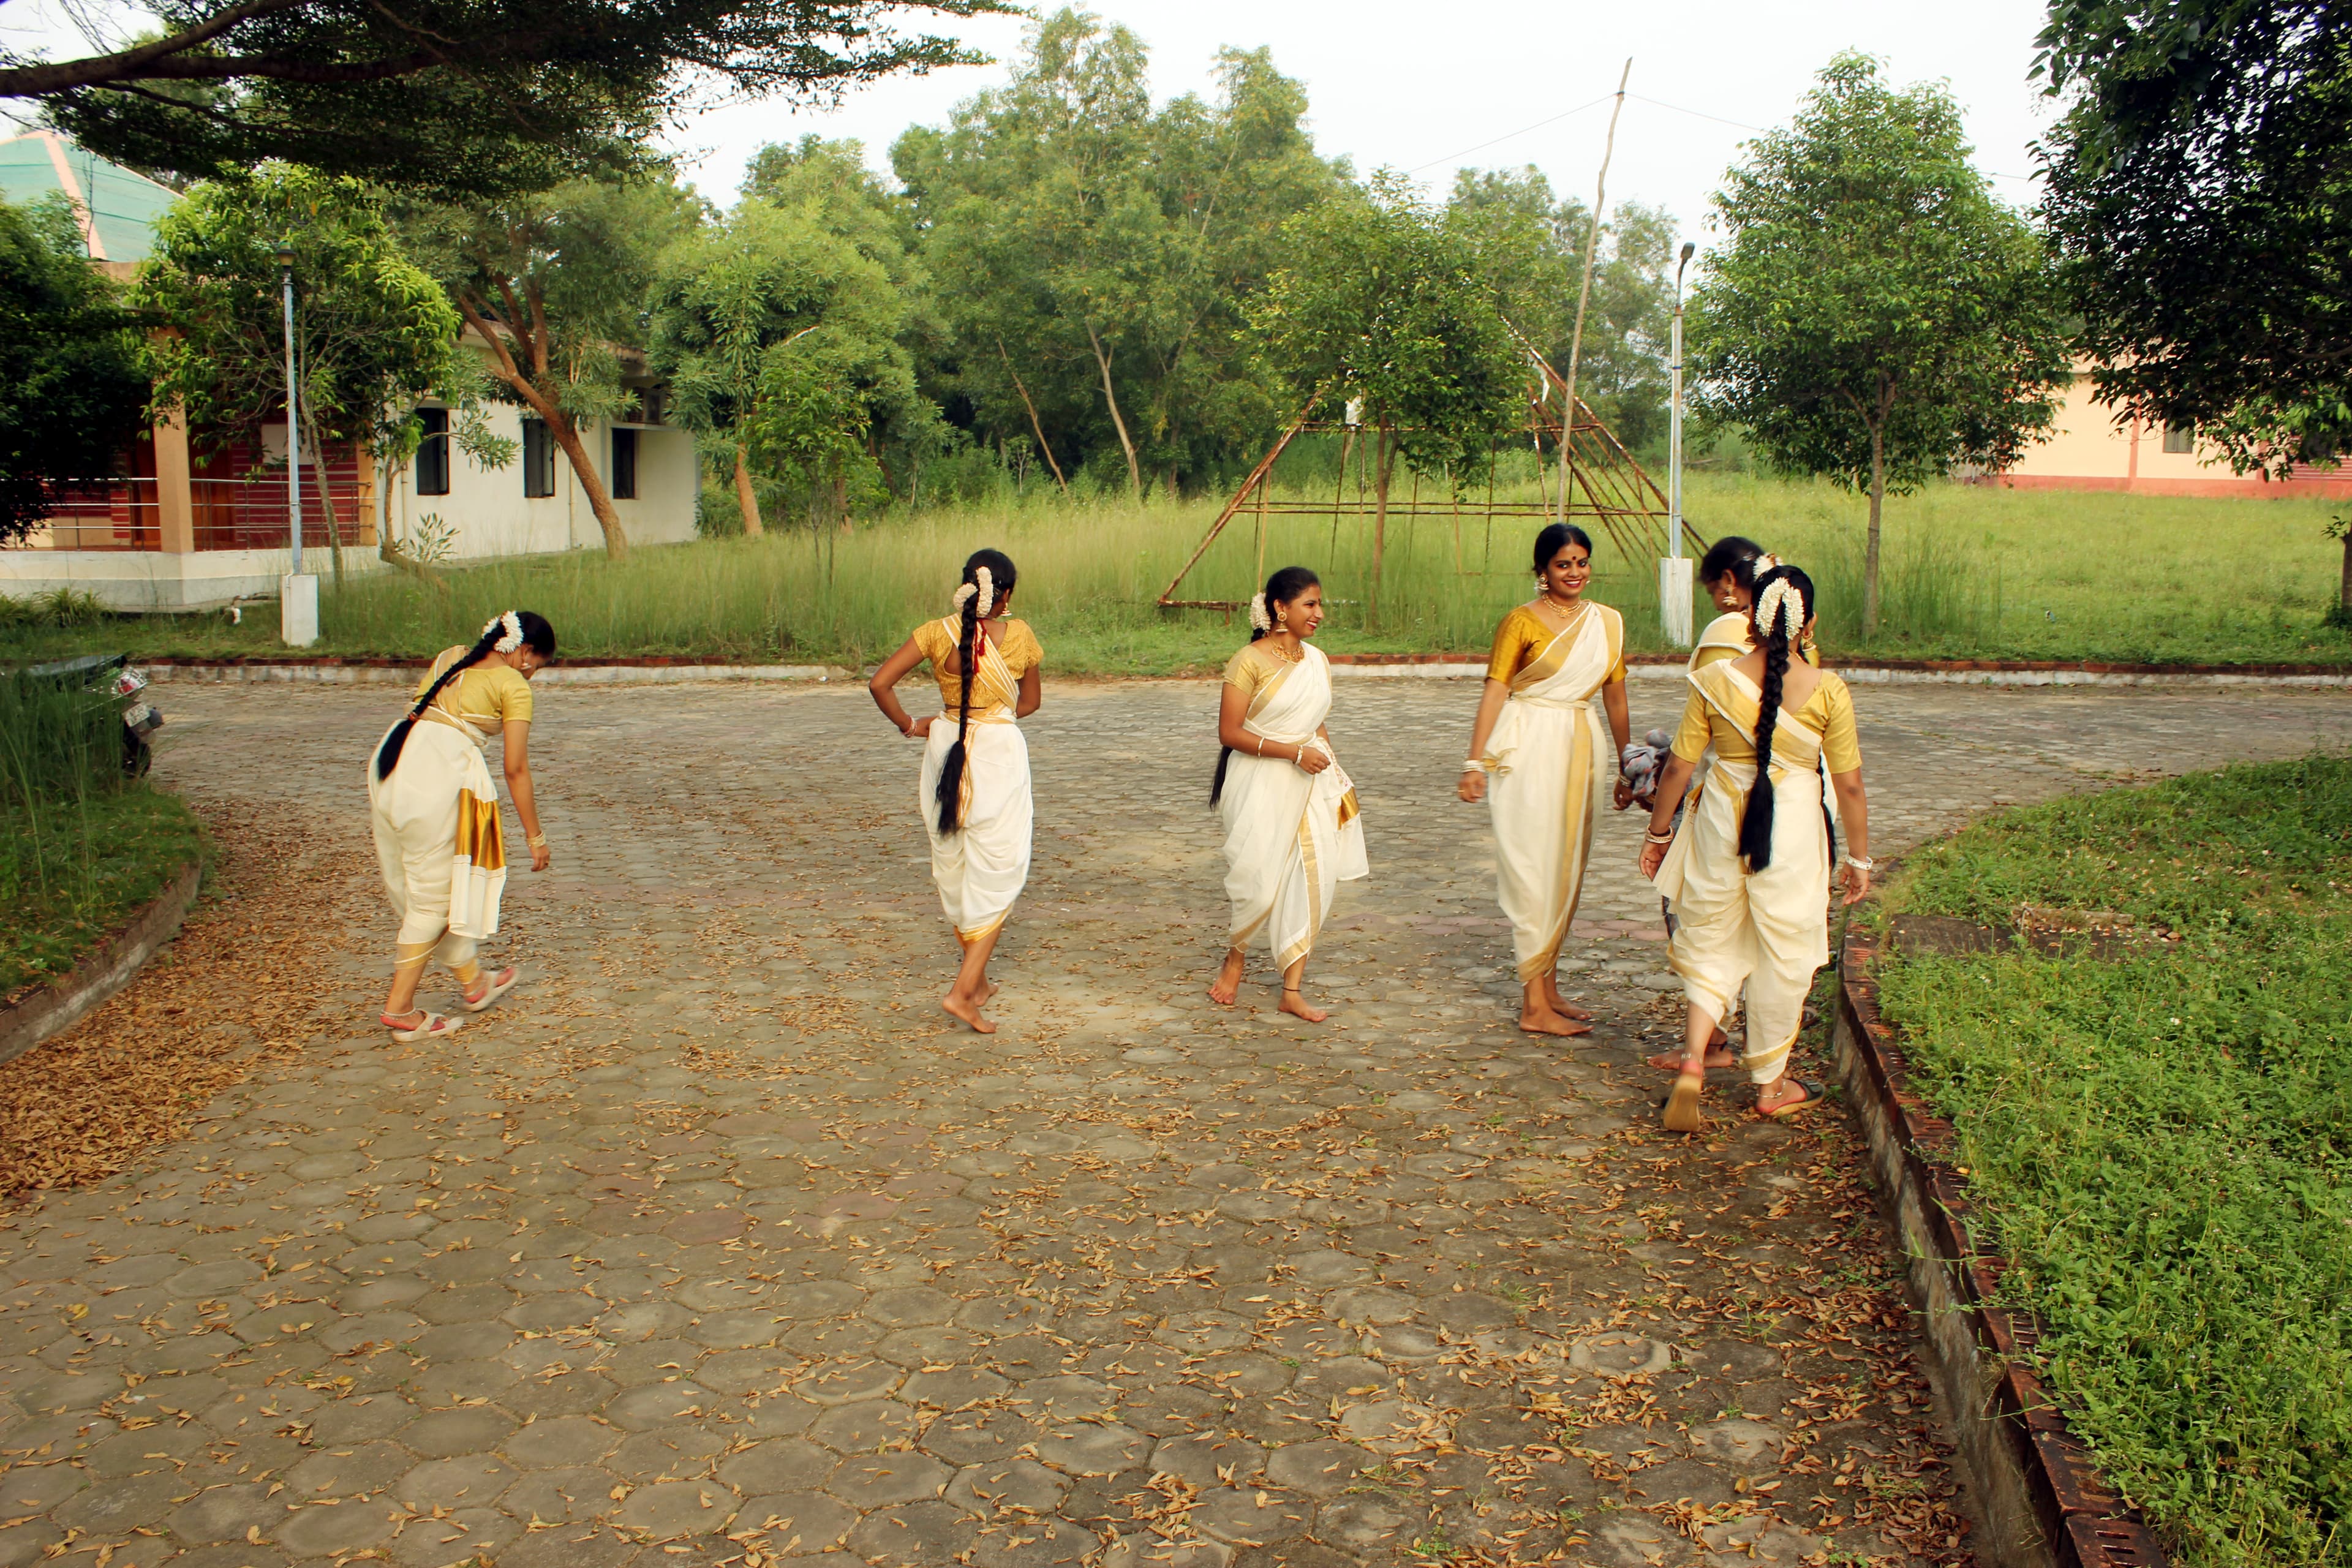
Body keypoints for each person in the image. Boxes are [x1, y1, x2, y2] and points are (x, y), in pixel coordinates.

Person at [1639, 565, 1873, 1130]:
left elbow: (1678, 767)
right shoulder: (1828, 690)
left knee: (1714, 934)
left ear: (1751, 617)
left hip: (1723, 818)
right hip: (1791, 829)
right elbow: (1850, 786)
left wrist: (1658, 834)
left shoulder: (1716, 681)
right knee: (1782, 951)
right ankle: (1771, 1084)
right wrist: (1860, 859)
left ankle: (1694, 1061)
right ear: (1809, 625)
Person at [1458, 524, 1633, 1037]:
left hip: (1583, 742)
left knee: (1568, 864)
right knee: (1533, 863)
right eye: (1563, 564)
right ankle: (1534, 1006)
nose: (1574, 572)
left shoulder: (1608, 623)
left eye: (1582, 562)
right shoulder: (1520, 622)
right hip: (1530, 744)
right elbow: (1495, 691)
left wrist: (1631, 764)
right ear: (1542, 571)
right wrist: (1474, 762)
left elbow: (1616, 697)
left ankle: (1548, 987)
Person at [869, 549, 1043, 1034]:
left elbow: (880, 683)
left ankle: (979, 980)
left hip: (945, 747)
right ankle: (963, 993)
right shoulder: (1022, 635)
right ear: (1005, 594)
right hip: (997, 755)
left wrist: (913, 723)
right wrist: (993, 715)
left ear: (968, 585)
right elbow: (1029, 702)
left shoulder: (933, 631)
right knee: (1000, 867)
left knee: (956, 858)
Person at [368, 610, 555, 1042]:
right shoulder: (513, 685)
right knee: (434, 899)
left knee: (427, 885)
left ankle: (474, 982)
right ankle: (400, 1010)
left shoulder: (452, 657)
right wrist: (535, 837)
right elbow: (516, 769)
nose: (534, 677)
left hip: (391, 760)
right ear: (524, 653)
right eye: (538, 667)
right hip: (436, 777)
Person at [1208, 567, 1368, 1022]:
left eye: (1320, 605)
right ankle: (1236, 955)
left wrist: (1333, 769)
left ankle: (1292, 989)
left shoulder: (1316, 661)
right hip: (1260, 779)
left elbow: (1315, 720)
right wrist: (1293, 753)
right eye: (1310, 605)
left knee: (1315, 878)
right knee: (1259, 884)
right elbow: (1229, 732)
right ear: (1281, 608)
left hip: (1312, 780)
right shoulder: (1249, 661)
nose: (1319, 613)